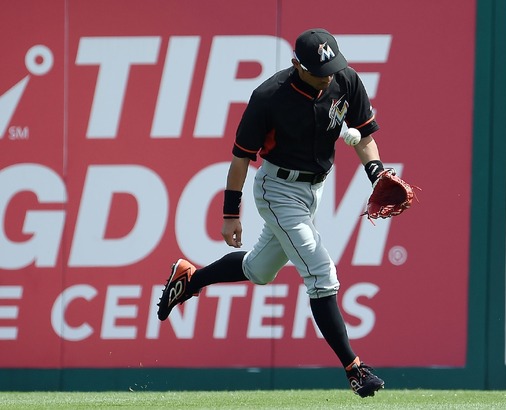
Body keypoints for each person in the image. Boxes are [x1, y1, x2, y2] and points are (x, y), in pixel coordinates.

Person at [158, 28, 388, 398]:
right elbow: (239, 159)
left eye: (331, 65)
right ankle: (355, 369)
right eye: (319, 68)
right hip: (276, 189)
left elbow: (364, 135)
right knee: (320, 272)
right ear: (297, 64)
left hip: (314, 188)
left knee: (258, 271)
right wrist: (230, 212)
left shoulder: (344, 78)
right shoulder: (269, 97)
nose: (328, 74)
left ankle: (191, 279)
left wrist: (376, 173)